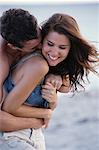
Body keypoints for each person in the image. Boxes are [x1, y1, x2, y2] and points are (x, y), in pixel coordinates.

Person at [1, 12, 98, 150]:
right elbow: (8, 108)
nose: (53, 52)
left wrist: (53, 99)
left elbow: (65, 87)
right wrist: (44, 114)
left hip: (32, 136)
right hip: (15, 138)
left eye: (62, 47)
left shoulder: (46, 65)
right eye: (49, 44)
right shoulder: (37, 65)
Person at [0, 9, 70, 150]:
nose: (41, 47)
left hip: (35, 136)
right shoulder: (2, 64)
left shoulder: (33, 34)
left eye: (41, 39)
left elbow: (66, 87)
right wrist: (41, 117)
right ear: (13, 46)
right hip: (11, 138)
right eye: (33, 47)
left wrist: (56, 75)